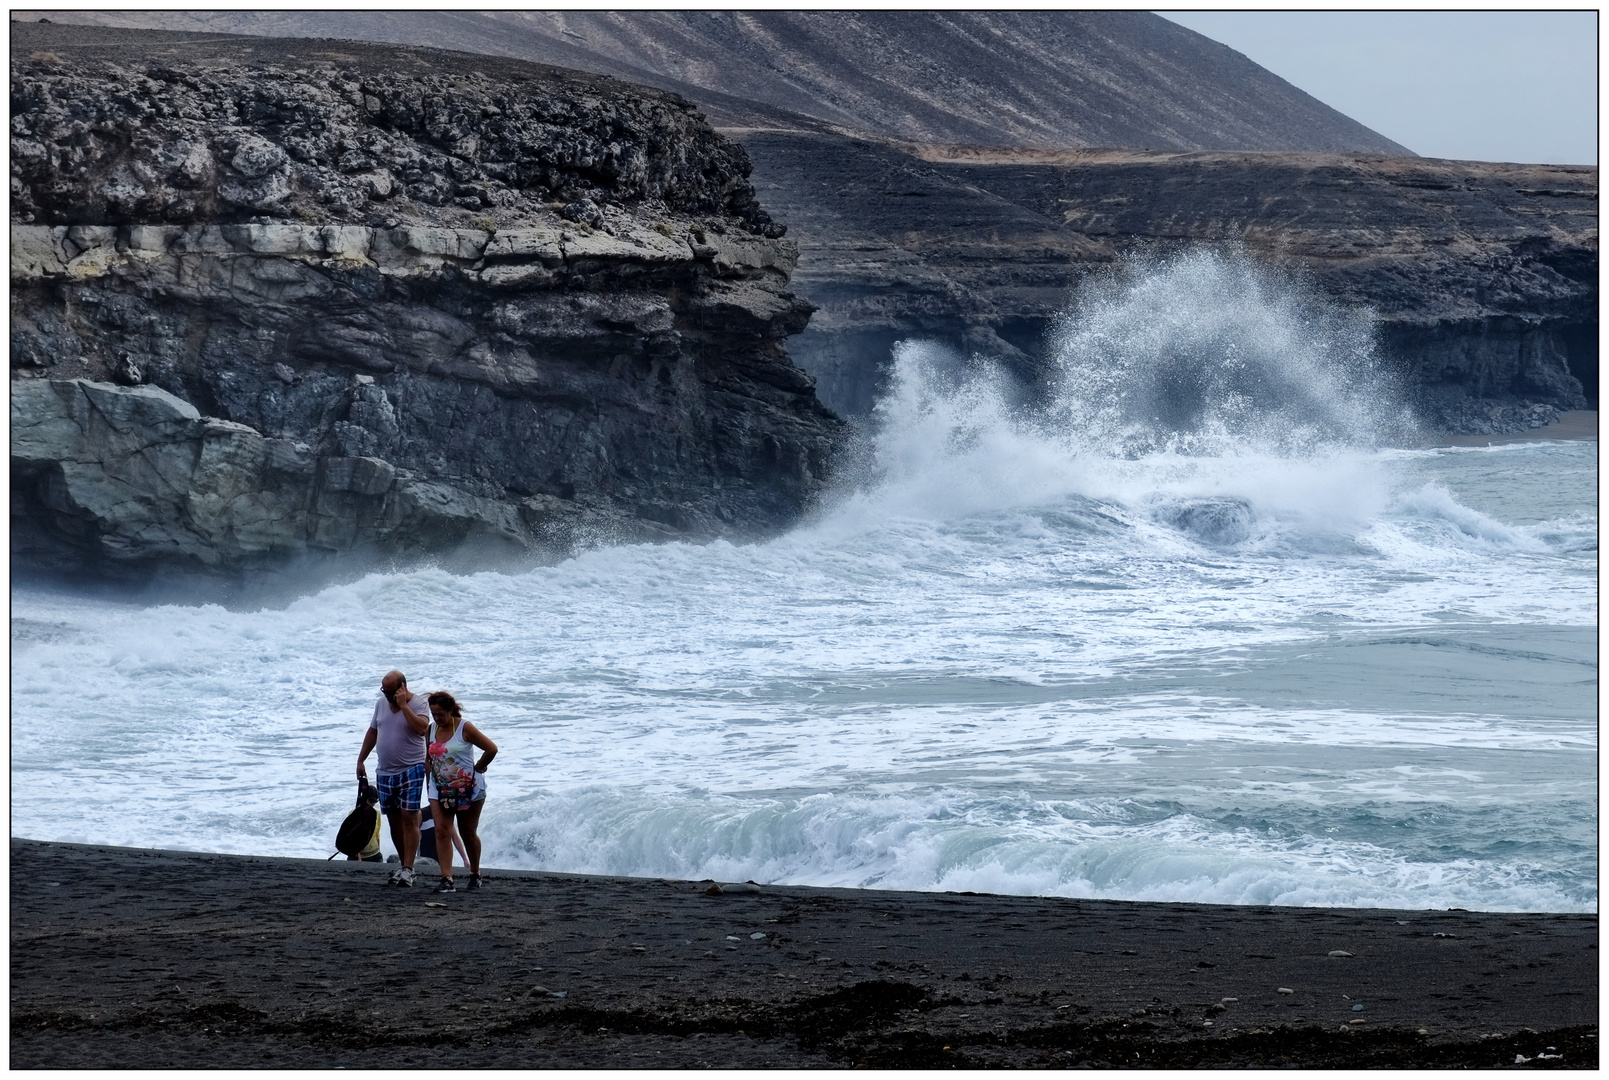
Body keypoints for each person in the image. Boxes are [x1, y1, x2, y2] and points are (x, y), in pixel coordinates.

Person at [356, 670, 431, 886]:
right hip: (385, 771)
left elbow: (421, 729)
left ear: (403, 687)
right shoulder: (381, 704)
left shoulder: (418, 704)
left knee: (409, 816)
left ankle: (409, 868)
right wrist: (361, 760)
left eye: (390, 692)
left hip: (412, 768)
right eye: (384, 692)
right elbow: (373, 732)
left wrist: (404, 706)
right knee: (394, 820)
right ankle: (404, 865)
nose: (387, 696)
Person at [425, 691, 497, 892]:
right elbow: (428, 759)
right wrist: (428, 782)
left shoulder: (464, 727)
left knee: (467, 832)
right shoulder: (430, 730)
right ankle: (447, 879)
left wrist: (479, 767)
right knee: (441, 831)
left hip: (468, 788)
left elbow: (491, 748)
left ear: (450, 710)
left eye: (440, 714)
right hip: (439, 788)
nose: (437, 718)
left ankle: (475, 873)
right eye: (434, 714)